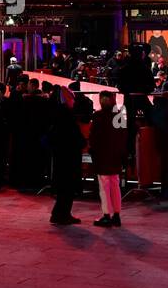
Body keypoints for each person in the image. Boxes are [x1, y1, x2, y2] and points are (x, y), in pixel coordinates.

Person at [45, 86, 85, 225]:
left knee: (64, 187)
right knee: (67, 188)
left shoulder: (58, 113)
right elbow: (73, 136)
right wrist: (81, 142)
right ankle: (62, 214)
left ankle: (60, 213)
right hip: (68, 156)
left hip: (61, 156)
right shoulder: (66, 115)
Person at [88, 91, 126, 226]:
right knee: (115, 184)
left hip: (102, 156)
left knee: (104, 186)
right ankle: (116, 214)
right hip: (116, 156)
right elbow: (124, 137)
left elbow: (94, 138)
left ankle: (106, 215)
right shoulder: (119, 116)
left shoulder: (98, 116)